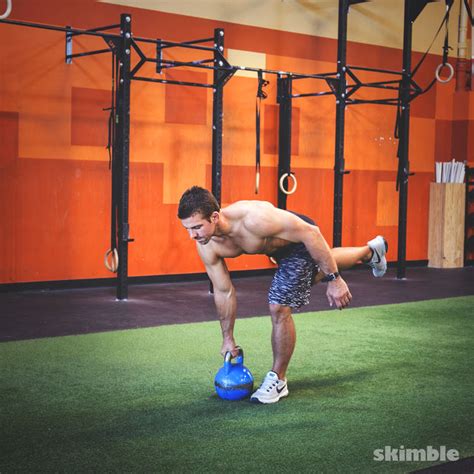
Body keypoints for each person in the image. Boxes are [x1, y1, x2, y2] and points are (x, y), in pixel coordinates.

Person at [177, 186, 388, 404]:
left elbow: (311, 233)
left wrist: (335, 280)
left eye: (197, 227)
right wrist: (228, 338)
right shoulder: (207, 245)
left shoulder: (254, 218)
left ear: (214, 217)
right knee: (309, 275)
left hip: (301, 241)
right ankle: (371, 252)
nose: (192, 235)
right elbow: (224, 291)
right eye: (188, 229)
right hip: (279, 252)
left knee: (279, 304)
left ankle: (278, 380)